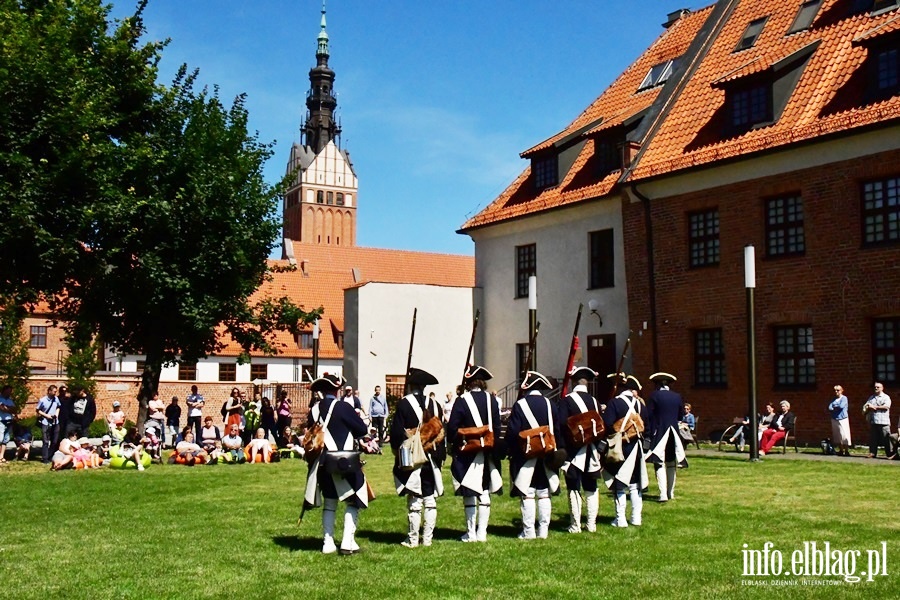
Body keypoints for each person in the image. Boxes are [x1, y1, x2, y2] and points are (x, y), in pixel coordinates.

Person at [302, 374, 370, 555]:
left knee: (330, 502)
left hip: (322, 462)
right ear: (336, 389)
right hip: (343, 461)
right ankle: (347, 542)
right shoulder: (343, 407)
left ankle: (328, 542)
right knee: (355, 499)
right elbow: (362, 430)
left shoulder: (314, 410)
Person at [446, 365, 503, 543]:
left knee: (470, 492)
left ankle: (470, 533)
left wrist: (455, 443)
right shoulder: (492, 400)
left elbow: (453, 428)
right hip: (488, 451)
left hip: (467, 451)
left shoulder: (462, 401)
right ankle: (482, 533)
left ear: (469, 382)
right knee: (484, 491)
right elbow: (497, 426)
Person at [390, 368, 445, 548]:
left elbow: (397, 434)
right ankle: (427, 540)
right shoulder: (435, 404)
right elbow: (442, 431)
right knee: (430, 499)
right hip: (432, 456)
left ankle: (413, 540)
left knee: (415, 500)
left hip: (413, 457)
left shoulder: (404, 404)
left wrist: (398, 454)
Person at [506, 371, 563, 540]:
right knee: (544, 492)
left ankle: (529, 531)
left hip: (525, 455)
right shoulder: (550, 404)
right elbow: (556, 431)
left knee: (528, 493)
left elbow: (513, 432)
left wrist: (511, 450)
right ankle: (543, 530)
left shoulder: (520, 405)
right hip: (547, 453)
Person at [558, 367, 604, 533]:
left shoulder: (566, 401)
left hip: (573, 451)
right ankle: (591, 524)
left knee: (573, 487)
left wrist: (562, 450)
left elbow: (561, 426)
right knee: (591, 487)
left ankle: (575, 525)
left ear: (573, 381)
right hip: (591, 450)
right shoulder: (595, 402)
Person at [602, 373, 648, 527]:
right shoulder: (640, 404)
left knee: (619, 483)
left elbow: (607, 424)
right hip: (637, 447)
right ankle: (636, 518)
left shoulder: (615, 403)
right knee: (635, 484)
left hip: (621, 447)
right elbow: (646, 425)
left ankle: (620, 519)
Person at [646, 372, 688, 503]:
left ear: (658, 384)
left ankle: (663, 493)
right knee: (671, 462)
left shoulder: (655, 395)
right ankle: (671, 492)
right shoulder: (677, 396)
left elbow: (649, 414)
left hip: (659, 432)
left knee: (659, 462)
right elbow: (680, 416)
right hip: (673, 433)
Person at [863, 382, 892, 458]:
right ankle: (872, 453)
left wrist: (875, 407)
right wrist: (869, 407)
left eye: (878, 387)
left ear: (882, 388)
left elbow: (886, 407)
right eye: (875, 387)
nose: (876, 388)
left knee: (886, 439)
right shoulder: (871, 397)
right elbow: (867, 405)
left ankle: (890, 454)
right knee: (873, 439)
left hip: (883, 421)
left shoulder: (886, 397)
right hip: (873, 421)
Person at [36, 385, 62, 464]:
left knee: (54, 441)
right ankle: (45, 458)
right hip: (45, 422)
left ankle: (50, 456)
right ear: (49, 391)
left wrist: (56, 414)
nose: (55, 393)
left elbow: (58, 407)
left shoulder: (56, 399)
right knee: (46, 441)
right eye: (54, 391)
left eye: (56, 391)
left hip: (55, 422)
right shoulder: (43, 400)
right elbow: (38, 410)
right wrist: (46, 415)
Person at [829, 385, 852, 457]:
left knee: (844, 435)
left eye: (838, 390)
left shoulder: (844, 398)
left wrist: (834, 406)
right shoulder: (834, 399)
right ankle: (841, 450)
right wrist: (835, 406)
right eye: (835, 390)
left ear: (842, 390)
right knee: (837, 435)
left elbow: (841, 406)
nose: (836, 392)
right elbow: (829, 407)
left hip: (843, 418)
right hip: (834, 418)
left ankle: (846, 451)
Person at [0, 385, 17, 463]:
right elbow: (2, 408)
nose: (10, 392)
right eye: (8, 391)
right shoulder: (0, 398)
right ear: (4, 390)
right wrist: (9, 408)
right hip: (1, 421)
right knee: (0, 439)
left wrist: (8, 408)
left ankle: (2, 457)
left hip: (9, 421)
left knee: (5, 440)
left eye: (10, 391)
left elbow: (15, 410)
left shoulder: (10, 400)